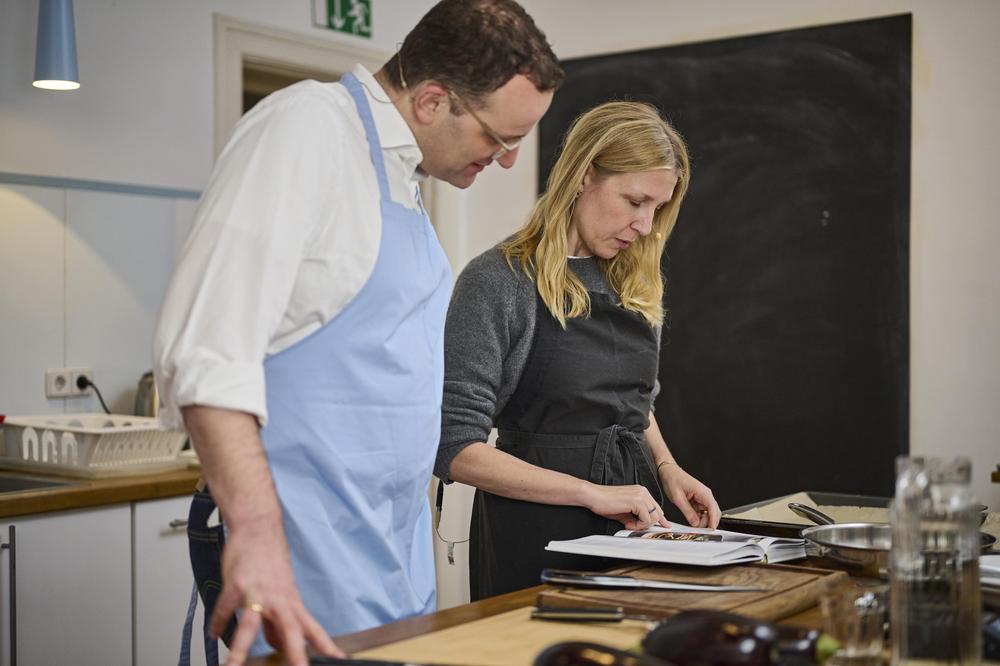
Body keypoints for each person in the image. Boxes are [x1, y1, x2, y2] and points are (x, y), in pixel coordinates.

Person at [153, 1, 563, 664]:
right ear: (432, 100)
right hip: (300, 561)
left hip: (388, 554)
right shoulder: (305, 131)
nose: (510, 160)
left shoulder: (403, 179)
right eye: (500, 137)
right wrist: (255, 535)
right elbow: (208, 354)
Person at [434, 101, 722, 600]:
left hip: (636, 521)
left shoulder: (634, 281)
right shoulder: (498, 282)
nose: (646, 225)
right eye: (635, 201)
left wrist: (667, 468)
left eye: (657, 208)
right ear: (584, 175)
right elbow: (455, 447)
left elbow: (636, 405)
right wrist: (590, 494)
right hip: (535, 533)